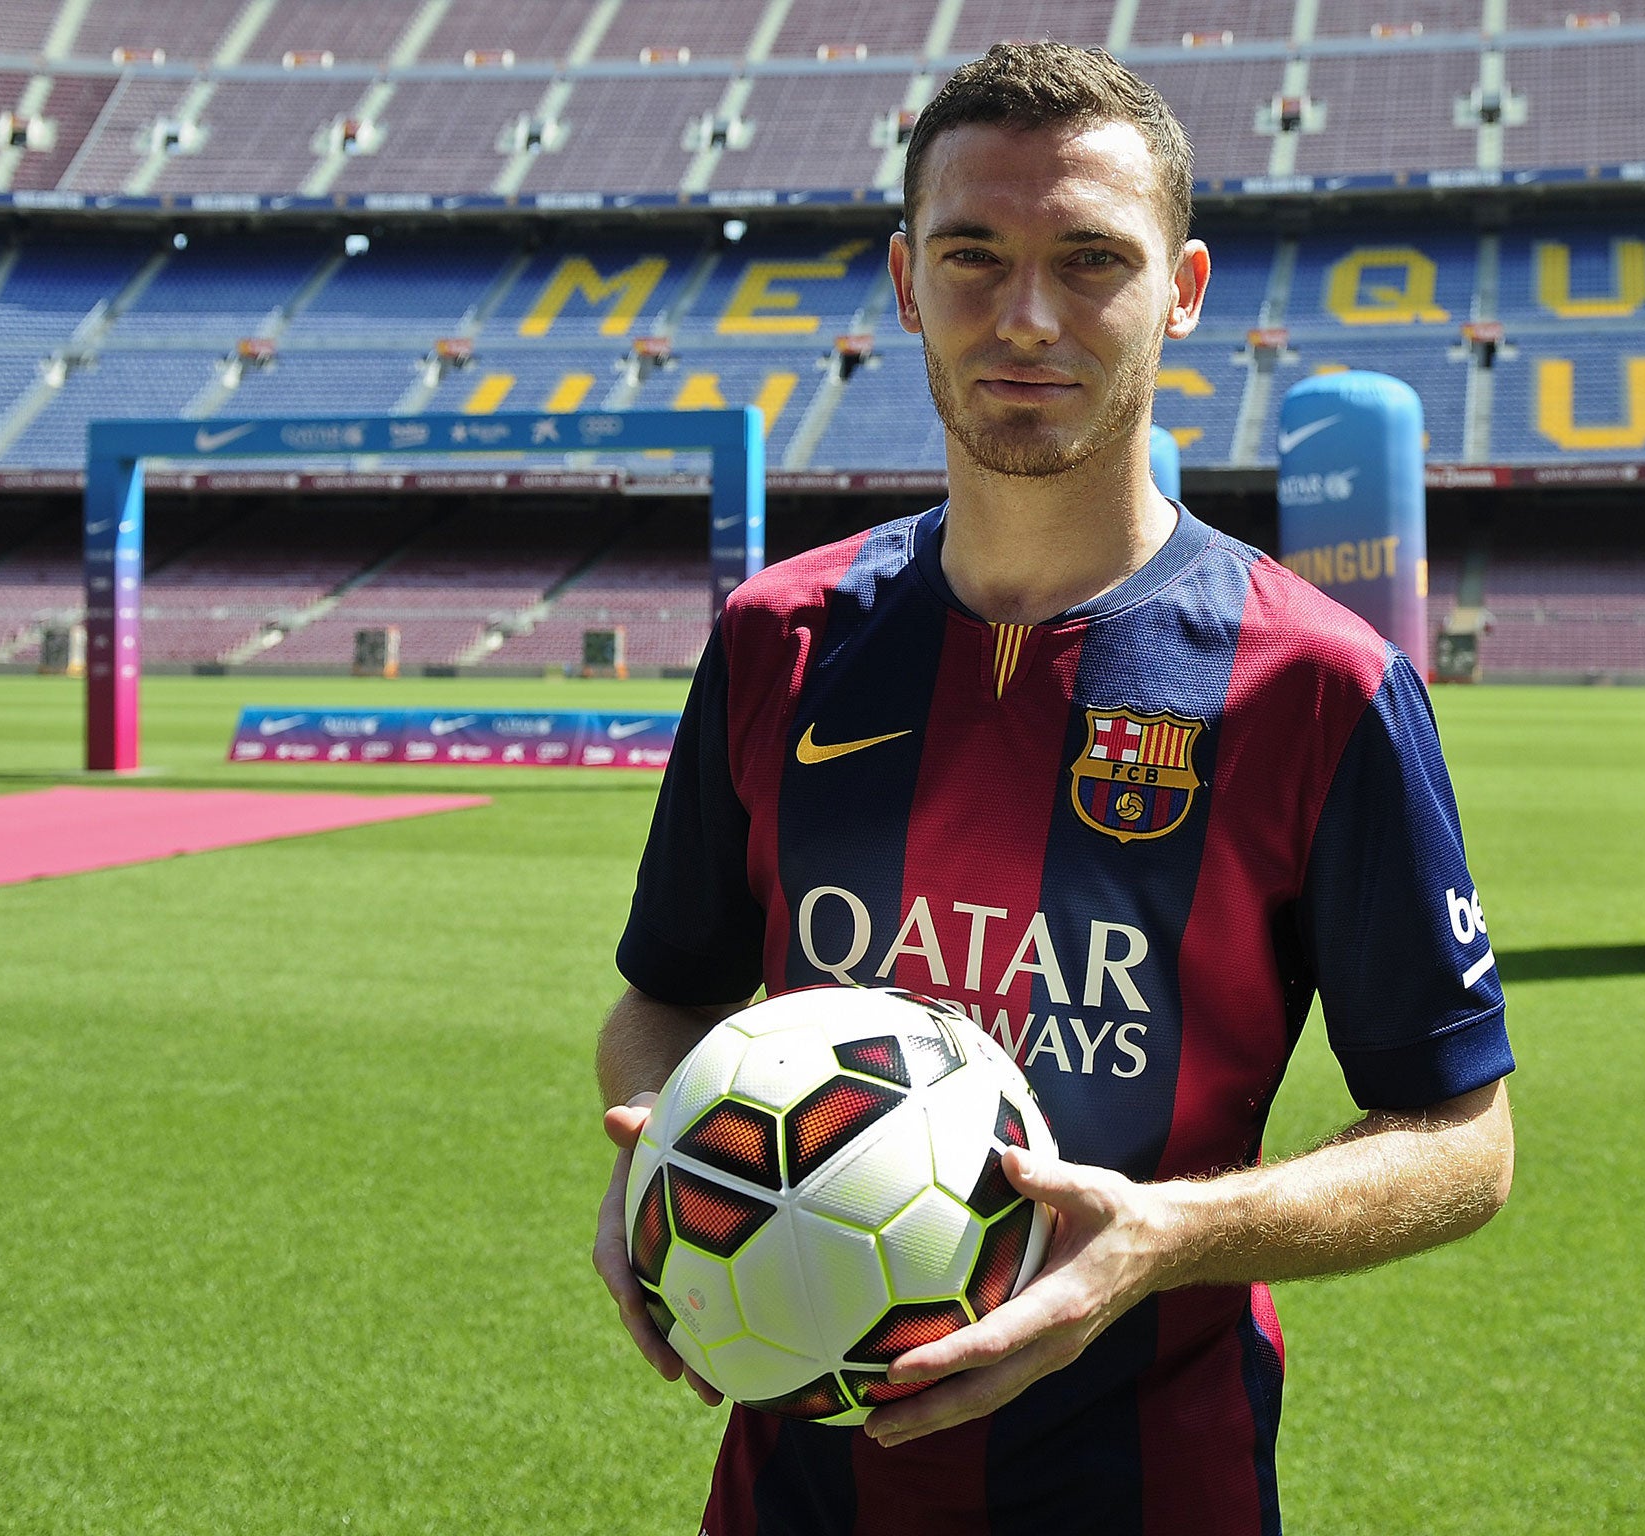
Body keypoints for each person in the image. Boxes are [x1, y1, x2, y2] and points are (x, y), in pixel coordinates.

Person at [592, 41, 1516, 1536]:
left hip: (1155, 1489)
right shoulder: (779, 642)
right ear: (905, 283)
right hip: (791, 1497)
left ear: (1185, 289)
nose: (1026, 316)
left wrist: (1170, 1233)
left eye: (1092, 259)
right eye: (974, 257)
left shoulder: (1317, 688)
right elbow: (660, 999)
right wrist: (674, 1158)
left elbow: (1465, 1142)